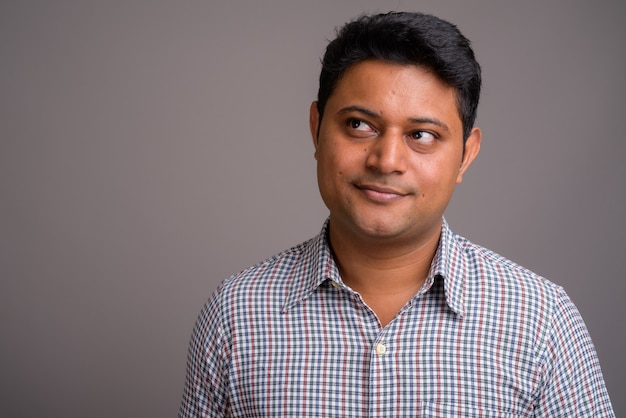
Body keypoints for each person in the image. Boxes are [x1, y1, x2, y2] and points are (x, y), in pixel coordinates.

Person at [179, 12, 614, 417]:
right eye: (358, 125)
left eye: (421, 135)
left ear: (466, 155)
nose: (387, 160)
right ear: (316, 128)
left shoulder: (541, 321)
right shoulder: (235, 316)